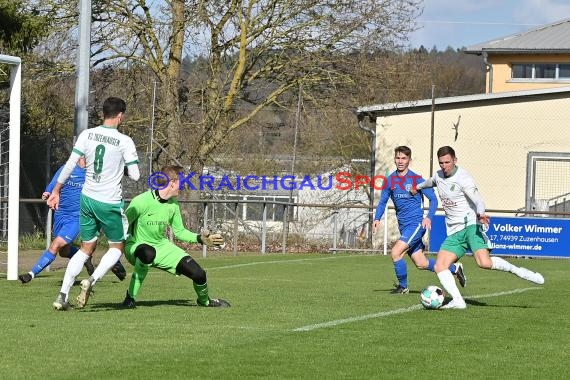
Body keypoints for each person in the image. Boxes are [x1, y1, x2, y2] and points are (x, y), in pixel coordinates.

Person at [412, 146, 544, 309]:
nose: (444, 166)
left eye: (447, 162)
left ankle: (519, 271)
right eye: (441, 163)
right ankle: (458, 301)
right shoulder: (439, 176)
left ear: (455, 160)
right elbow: (430, 182)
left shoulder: (463, 178)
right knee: (440, 266)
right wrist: (417, 188)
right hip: (454, 231)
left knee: (484, 263)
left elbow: (478, 200)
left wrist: (481, 213)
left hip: (471, 226)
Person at [47, 97, 140, 310]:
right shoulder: (124, 140)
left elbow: (71, 164)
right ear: (120, 116)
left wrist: (56, 190)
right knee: (117, 246)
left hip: (87, 199)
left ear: (103, 114)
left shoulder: (87, 134)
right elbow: (135, 175)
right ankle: (92, 280)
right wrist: (120, 166)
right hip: (109, 201)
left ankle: (62, 295)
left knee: (86, 248)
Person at [121, 165, 230, 309]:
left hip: (160, 246)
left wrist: (200, 239)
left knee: (199, 274)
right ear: (172, 182)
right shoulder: (141, 201)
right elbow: (121, 226)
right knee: (147, 253)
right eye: (181, 181)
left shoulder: (173, 204)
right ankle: (130, 298)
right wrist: (116, 254)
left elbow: (179, 232)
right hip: (136, 246)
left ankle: (205, 301)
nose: (183, 185)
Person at [372, 146, 466, 294]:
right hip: (404, 226)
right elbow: (383, 201)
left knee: (396, 252)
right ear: (394, 159)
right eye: (398, 158)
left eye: (404, 158)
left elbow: (433, 200)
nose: (400, 161)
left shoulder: (416, 179)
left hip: (416, 224)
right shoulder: (390, 180)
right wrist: (377, 218)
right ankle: (455, 268)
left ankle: (403, 287)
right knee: (421, 263)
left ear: (409, 160)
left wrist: (428, 218)